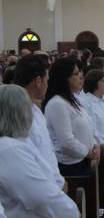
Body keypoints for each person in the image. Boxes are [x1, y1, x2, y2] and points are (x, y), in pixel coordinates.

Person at [0, 84, 80, 218]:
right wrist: (71, 211)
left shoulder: (19, 142)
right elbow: (38, 195)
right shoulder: (8, 148)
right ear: (18, 112)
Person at [14, 55, 65, 189]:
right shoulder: (19, 115)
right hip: (38, 190)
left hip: (51, 186)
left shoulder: (36, 111)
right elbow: (31, 159)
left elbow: (47, 151)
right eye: (46, 80)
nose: (47, 85)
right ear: (38, 81)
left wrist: (59, 181)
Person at [44, 58, 100, 176]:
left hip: (83, 159)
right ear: (64, 78)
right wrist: (88, 152)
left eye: (80, 72)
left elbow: (88, 125)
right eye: (76, 73)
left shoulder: (74, 99)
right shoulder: (57, 104)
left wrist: (95, 144)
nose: (81, 77)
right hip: (70, 165)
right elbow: (66, 141)